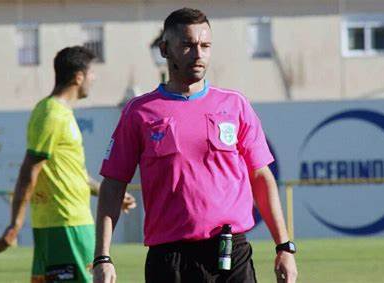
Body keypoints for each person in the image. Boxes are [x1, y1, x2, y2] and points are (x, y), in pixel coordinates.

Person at [93, 8, 297, 283]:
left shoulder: (234, 105)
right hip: (170, 259)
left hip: (231, 253)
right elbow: (113, 185)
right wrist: (102, 257)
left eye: (205, 45)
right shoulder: (139, 112)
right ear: (165, 49)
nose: (198, 53)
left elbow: (261, 177)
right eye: (187, 45)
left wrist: (284, 247)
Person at [0, 46, 136, 283]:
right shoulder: (51, 114)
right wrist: (14, 225)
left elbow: (73, 173)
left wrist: (111, 195)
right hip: (64, 223)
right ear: (79, 77)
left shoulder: (61, 113)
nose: (94, 78)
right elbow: (29, 170)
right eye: (91, 73)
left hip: (71, 222)